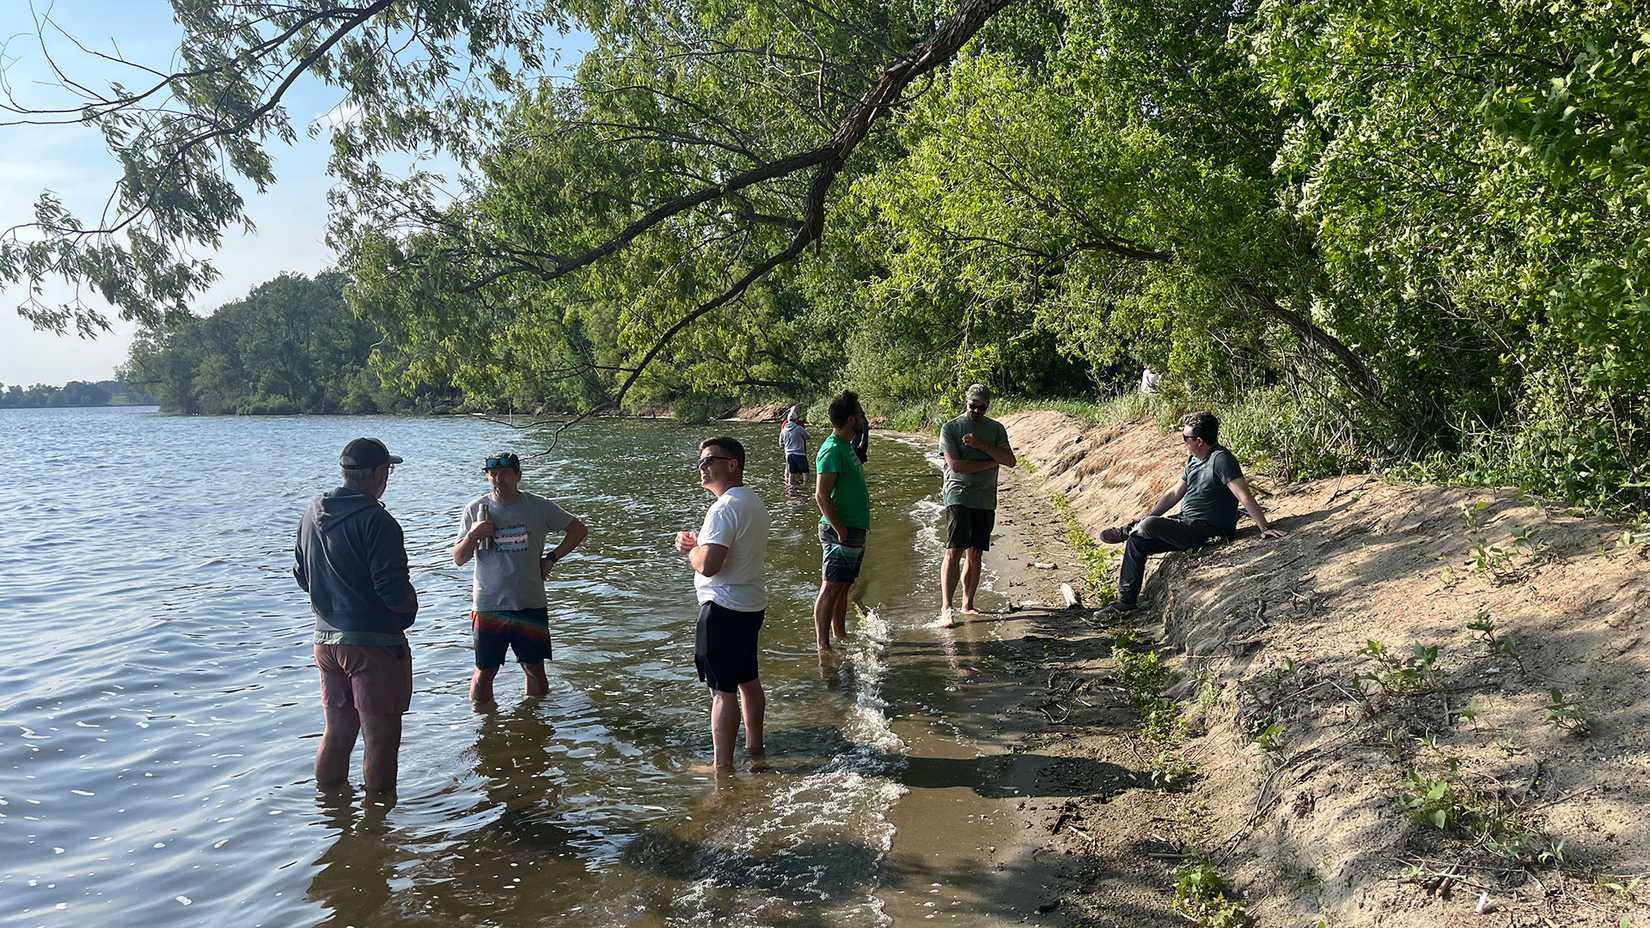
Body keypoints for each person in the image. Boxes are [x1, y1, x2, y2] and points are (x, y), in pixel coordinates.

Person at [294, 437, 419, 793]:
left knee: (337, 732)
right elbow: (393, 590)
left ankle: (331, 811)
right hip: (373, 645)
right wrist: (410, 608)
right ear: (379, 473)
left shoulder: (312, 512)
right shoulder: (378, 521)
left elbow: (302, 576)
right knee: (380, 740)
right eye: (388, 471)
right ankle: (379, 819)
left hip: (325, 641)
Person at [1098, 412, 1284, 613]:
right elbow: (1174, 493)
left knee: (1150, 525)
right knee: (1137, 541)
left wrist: (1264, 527)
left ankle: (1126, 530)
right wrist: (1151, 514)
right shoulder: (1193, 460)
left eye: (1186, 438)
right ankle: (1126, 603)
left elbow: (1243, 495)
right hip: (1187, 525)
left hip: (1210, 532)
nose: (1184, 442)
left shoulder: (1221, 460)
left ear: (1199, 441)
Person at [451, 451, 588, 705]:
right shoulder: (475, 509)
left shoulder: (538, 506)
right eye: (492, 474)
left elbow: (578, 530)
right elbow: (459, 558)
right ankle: (484, 722)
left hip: (529, 601)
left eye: (504, 473)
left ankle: (534, 719)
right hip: (489, 605)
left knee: (534, 668)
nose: (498, 479)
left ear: (517, 476)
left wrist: (551, 558)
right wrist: (473, 535)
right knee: (485, 671)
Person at [675, 437, 770, 773]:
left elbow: (708, 565)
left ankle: (722, 769)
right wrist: (698, 545)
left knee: (722, 691)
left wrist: (690, 550)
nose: (702, 467)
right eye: (700, 462)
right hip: (749, 605)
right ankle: (755, 749)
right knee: (748, 681)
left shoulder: (724, 507)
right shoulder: (752, 501)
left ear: (732, 465)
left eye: (709, 461)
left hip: (722, 608)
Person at [938, 384, 1016, 626]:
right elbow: (956, 466)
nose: (976, 411)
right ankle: (946, 607)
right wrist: (990, 462)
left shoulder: (996, 429)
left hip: (985, 498)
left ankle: (967, 604)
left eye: (982, 407)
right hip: (958, 494)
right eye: (973, 406)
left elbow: (1010, 460)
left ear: (987, 406)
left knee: (976, 553)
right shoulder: (951, 428)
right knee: (954, 550)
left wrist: (981, 446)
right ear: (966, 402)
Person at [813, 391, 870, 654]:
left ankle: (840, 635)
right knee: (831, 587)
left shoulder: (846, 445)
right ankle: (823, 647)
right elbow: (821, 495)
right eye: (860, 414)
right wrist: (840, 530)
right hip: (839, 531)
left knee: (844, 586)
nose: (863, 417)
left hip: (853, 528)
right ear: (849, 419)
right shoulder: (831, 449)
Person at [779, 406, 811, 488]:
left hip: (789, 454)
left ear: (788, 419)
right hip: (800, 454)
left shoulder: (783, 430)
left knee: (791, 473)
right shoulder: (799, 428)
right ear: (796, 419)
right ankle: (805, 488)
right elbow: (808, 437)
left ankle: (790, 489)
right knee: (805, 472)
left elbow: (781, 444)